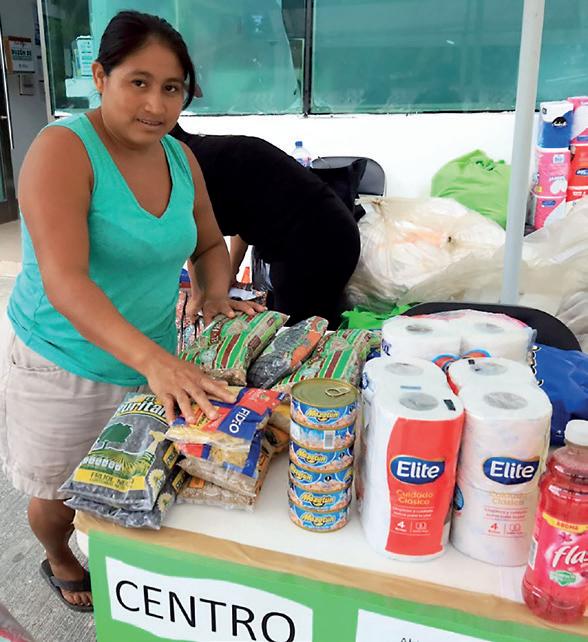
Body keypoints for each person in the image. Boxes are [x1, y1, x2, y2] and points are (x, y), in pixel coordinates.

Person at [0, 11, 261, 612]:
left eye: (172, 88)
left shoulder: (180, 158)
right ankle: (59, 558)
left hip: (152, 356)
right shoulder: (63, 150)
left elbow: (207, 244)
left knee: (137, 477)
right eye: (138, 82)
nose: (156, 104)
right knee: (58, 493)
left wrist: (214, 293)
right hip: (62, 360)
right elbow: (65, 282)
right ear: (100, 76)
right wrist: (156, 363)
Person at [170, 127, 361, 328]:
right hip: (332, 230)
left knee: (297, 331)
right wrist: (230, 273)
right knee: (293, 320)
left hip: (316, 241)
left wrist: (198, 298)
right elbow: (240, 217)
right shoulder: (214, 151)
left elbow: (197, 240)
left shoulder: (185, 165)